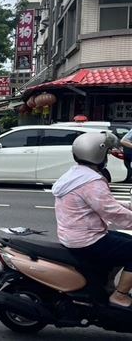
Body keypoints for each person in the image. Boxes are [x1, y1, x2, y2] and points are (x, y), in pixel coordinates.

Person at [52, 131, 132, 307]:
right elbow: (111, 212)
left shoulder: (75, 175)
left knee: (126, 242)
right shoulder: (91, 182)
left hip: (74, 236)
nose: (108, 158)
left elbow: (104, 203)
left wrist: (128, 206)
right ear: (98, 154)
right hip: (87, 240)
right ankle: (120, 295)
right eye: (107, 153)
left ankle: (106, 284)